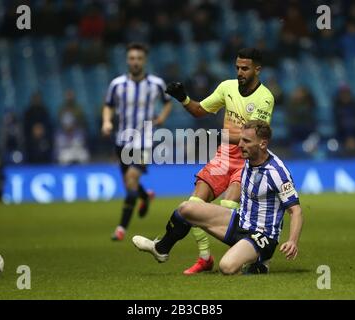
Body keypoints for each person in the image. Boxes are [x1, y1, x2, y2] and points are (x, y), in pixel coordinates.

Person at [133, 120, 303, 275]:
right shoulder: (250, 156)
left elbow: (296, 211)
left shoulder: (277, 172)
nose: (240, 145)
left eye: (246, 141)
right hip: (241, 222)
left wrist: (292, 241)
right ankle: (161, 249)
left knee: (226, 267)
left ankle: (260, 262)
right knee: (186, 209)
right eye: (241, 139)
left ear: (263, 144)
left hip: (262, 236)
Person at [163, 48, 275, 274]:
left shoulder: (265, 98)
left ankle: (247, 255)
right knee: (195, 204)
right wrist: (183, 98)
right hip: (224, 155)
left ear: (257, 69)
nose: (240, 72)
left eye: (245, 68)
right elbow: (199, 110)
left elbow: (251, 137)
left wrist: (218, 134)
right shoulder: (227, 87)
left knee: (228, 205)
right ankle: (205, 258)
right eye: (237, 68)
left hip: (246, 158)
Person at [101, 42, 173, 241]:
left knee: (131, 180)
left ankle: (121, 229)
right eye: (132, 58)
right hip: (122, 140)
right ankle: (145, 196)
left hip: (145, 141)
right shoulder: (117, 85)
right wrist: (106, 121)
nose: (135, 62)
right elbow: (108, 106)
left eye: (139, 58)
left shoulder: (156, 84)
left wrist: (162, 118)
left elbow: (168, 103)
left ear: (145, 61)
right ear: (127, 60)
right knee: (129, 183)